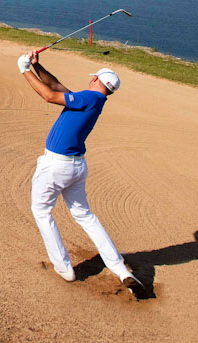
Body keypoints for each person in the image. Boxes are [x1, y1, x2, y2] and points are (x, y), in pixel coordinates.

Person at [18, 49, 144, 294]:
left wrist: (23, 70)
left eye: (93, 77)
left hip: (56, 165)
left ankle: (64, 268)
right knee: (85, 215)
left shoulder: (89, 98)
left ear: (96, 80)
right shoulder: (93, 100)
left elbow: (48, 95)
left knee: (41, 210)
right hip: (76, 166)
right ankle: (121, 270)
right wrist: (37, 66)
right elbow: (56, 86)